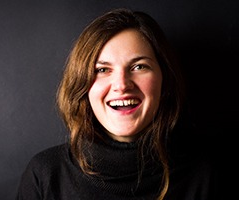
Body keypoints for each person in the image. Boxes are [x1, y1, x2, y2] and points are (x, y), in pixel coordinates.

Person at [16, 8, 221, 200]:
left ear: (164, 80)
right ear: (82, 86)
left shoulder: (206, 173)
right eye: (102, 70)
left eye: (139, 66)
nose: (122, 85)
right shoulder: (45, 175)